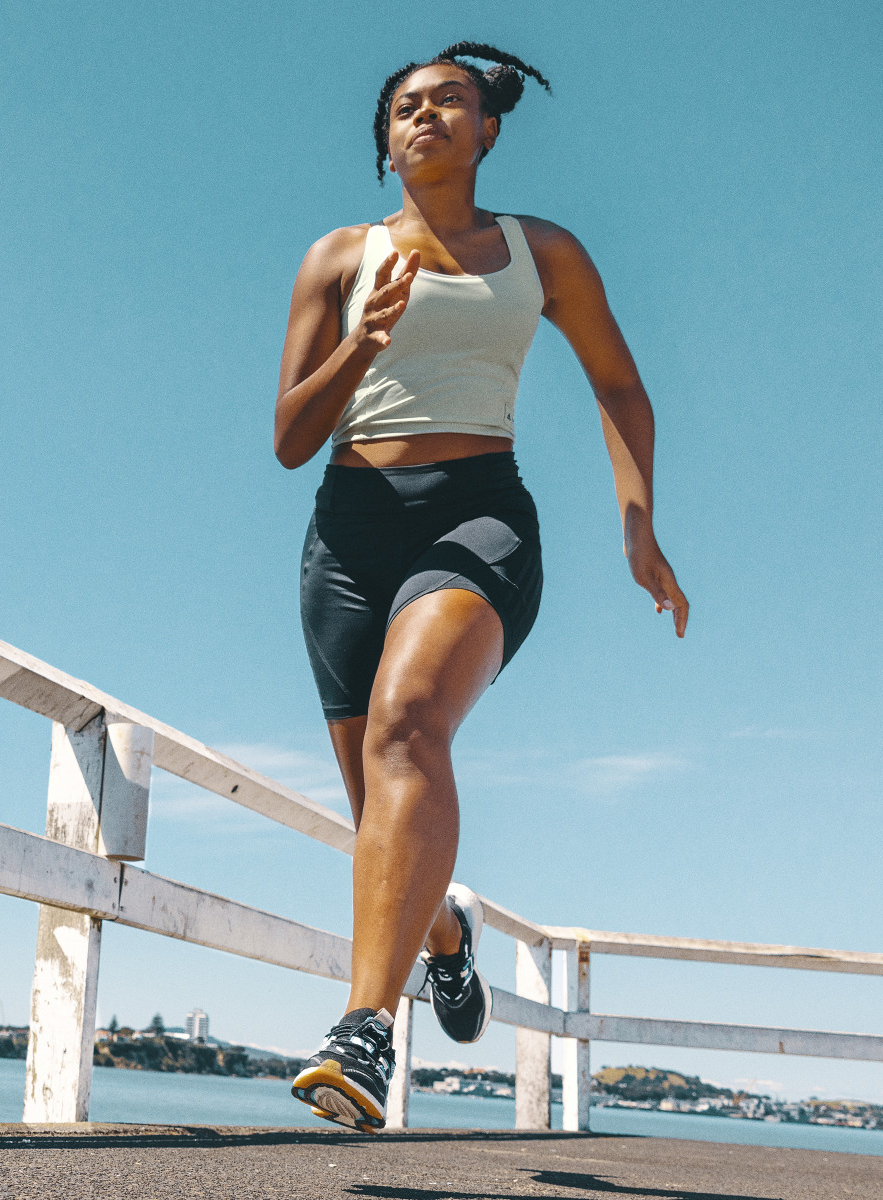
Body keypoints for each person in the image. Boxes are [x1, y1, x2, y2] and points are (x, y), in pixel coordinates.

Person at [274, 41, 689, 1131]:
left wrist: (637, 526)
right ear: (387, 140)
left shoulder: (538, 250)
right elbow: (287, 437)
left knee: (410, 728)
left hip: (478, 513)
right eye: (408, 106)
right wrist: (359, 342)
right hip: (347, 533)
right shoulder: (336, 258)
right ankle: (445, 938)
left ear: (487, 129)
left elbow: (621, 387)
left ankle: (363, 1033)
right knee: (380, 813)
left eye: (451, 102)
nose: (428, 117)